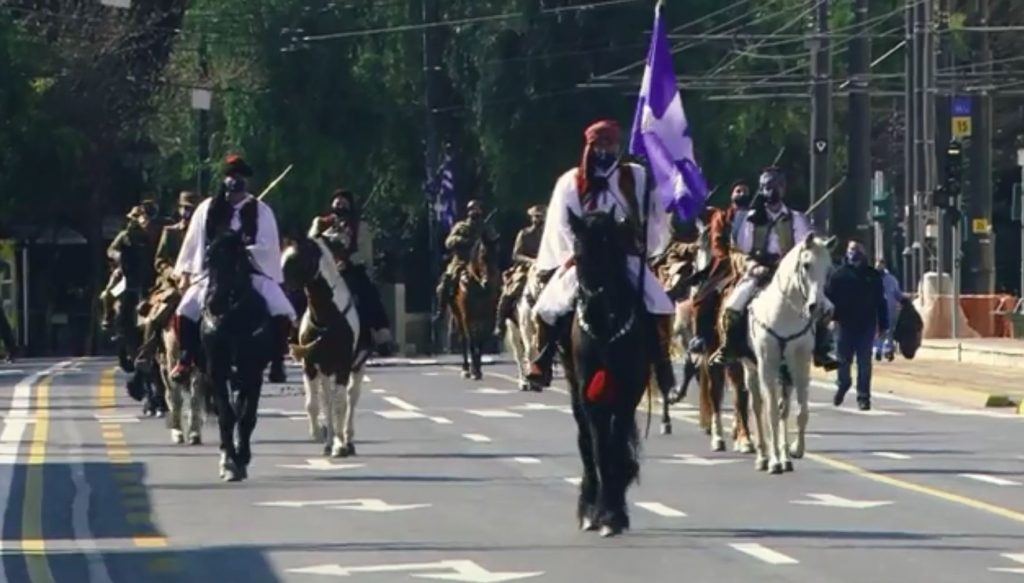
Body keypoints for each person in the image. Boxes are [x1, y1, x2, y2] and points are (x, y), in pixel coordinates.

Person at [526, 119, 677, 393]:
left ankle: (662, 362)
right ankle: (543, 359)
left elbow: (655, 214)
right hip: (588, 260)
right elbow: (563, 223)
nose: (606, 150)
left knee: (660, 304)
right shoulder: (571, 182)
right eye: (600, 145)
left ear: (619, 146)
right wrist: (582, 248)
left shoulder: (636, 176)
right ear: (590, 147)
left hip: (625, 257)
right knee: (548, 307)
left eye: (611, 144)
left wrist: (660, 188)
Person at [169, 154, 296, 382]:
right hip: (214, 273)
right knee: (185, 309)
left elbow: (267, 246)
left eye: (239, 178)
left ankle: (277, 360)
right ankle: (185, 358)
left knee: (282, 307)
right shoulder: (206, 208)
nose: (234, 185)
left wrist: (242, 250)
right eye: (230, 177)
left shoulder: (261, 211)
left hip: (251, 271)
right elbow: (194, 241)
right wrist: (190, 270)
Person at [710, 167, 839, 370]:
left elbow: (807, 248)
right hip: (758, 272)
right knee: (733, 306)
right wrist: (752, 266)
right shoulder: (749, 219)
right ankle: (730, 347)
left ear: (784, 188)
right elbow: (737, 251)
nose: (772, 190)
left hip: (789, 275)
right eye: (767, 186)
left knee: (824, 304)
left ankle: (822, 349)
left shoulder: (797, 219)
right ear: (761, 189)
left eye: (776, 186)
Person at [309, 189, 397, 357]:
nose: (340, 207)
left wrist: (348, 261)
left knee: (368, 295)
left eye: (343, 204)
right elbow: (312, 244)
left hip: (351, 270)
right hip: (328, 272)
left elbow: (364, 253)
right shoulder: (324, 225)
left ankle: (380, 337)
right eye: (337, 204)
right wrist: (317, 228)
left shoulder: (360, 227)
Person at [134, 191, 200, 369]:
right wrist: (173, 273)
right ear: (179, 209)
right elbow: (160, 261)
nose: (188, 212)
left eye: (192, 209)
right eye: (185, 208)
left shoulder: (204, 234)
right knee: (159, 313)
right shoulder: (170, 232)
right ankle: (146, 353)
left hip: (199, 282)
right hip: (173, 284)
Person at [825, 241, 889, 410]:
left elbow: (881, 302)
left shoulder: (872, 276)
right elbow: (828, 299)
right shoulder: (838, 275)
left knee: (864, 363)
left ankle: (863, 397)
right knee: (842, 361)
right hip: (843, 325)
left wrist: (883, 325)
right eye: (851, 249)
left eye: (857, 249)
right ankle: (843, 384)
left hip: (866, 325)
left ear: (863, 252)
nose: (853, 252)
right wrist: (830, 319)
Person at [434, 200, 499, 322]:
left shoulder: (485, 227)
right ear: (468, 211)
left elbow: (493, 242)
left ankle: (498, 311)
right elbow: (448, 242)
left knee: (495, 278)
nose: (475, 211)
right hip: (461, 260)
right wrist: (462, 240)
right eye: (473, 209)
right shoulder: (461, 226)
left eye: (477, 208)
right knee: (445, 283)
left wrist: (490, 237)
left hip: (481, 262)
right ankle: (441, 311)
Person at [493, 204, 546, 337]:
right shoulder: (524, 234)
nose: (538, 220)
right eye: (536, 217)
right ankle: (500, 323)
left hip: (545, 267)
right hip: (526, 268)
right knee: (513, 288)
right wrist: (531, 260)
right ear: (531, 218)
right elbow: (516, 255)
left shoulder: (548, 235)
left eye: (541, 217)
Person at [874, 258, 903, 362]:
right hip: (877, 309)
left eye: (880, 265)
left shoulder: (891, 280)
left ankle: (888, 350)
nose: (879, 267)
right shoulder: (871, 278)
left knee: (889, 330)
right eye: (877, 265)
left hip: (889, 308)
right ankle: (879, 350)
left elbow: (897, 293)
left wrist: (903, 301)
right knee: (878, 330)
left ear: (884, 266)